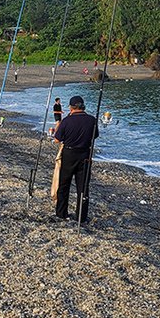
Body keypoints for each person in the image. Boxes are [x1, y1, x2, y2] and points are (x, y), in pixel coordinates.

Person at [51, 95, 98, 224]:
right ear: (82, 106)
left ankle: (61, 213)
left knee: (64, 185)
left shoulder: (67, 121)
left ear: (71, 108)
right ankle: (81, 217)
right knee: (83, 187)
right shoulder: (92, 120)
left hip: (69, 154)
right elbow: (95, 136)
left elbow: (57, 138)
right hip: (85, 155)